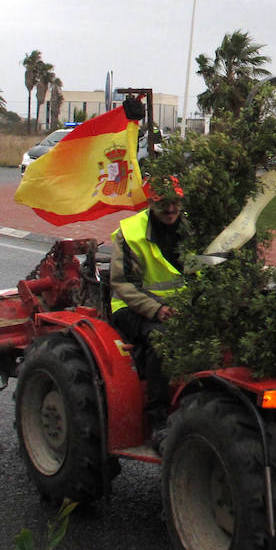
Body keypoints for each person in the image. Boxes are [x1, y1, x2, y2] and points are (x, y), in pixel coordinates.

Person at [108, 176, 187, 437]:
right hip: (132, 309)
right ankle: (158, 419)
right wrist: (156, 310)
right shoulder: (130, 234)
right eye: (163, 203)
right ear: (151, 203)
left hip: (179, 308)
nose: (171, 209)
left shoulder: (192, 230)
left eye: (175, 202)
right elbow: (122, 284)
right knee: (161, 339)